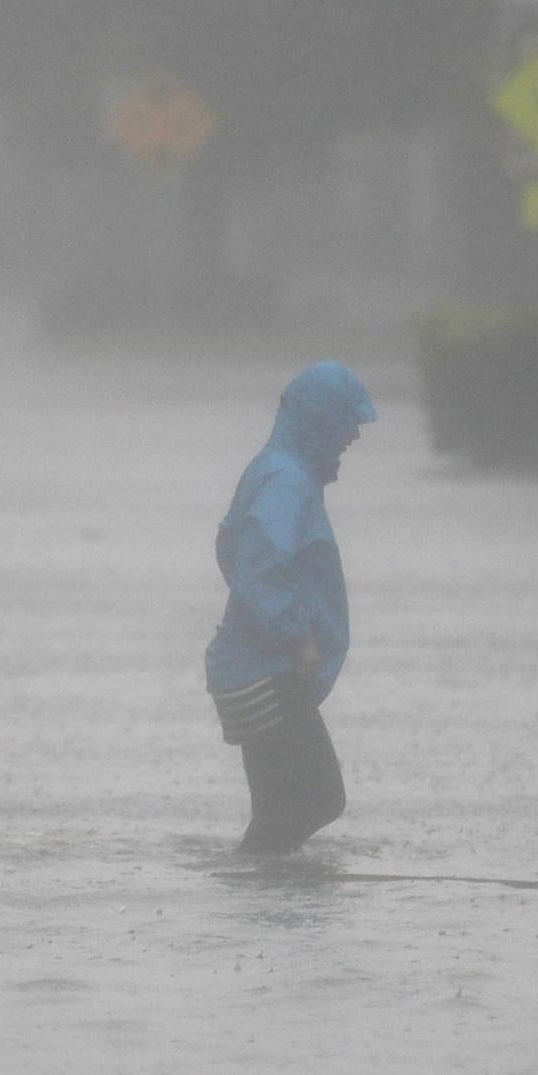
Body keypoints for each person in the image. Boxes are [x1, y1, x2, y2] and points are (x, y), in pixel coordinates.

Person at [204, 362, 376, 854]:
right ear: (321, 420)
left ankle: (269, 898)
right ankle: (257, 880)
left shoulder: (274, 468)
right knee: (319, 798)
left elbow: (230, 547)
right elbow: (258, 566)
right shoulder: (287, 481)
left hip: (248, 672)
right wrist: (296, 634)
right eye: (348, 422)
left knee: (281, 807)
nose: (353, 437)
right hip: (264, 674)